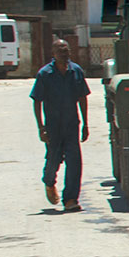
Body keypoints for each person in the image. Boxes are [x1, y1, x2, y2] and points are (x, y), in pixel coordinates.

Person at [31, 38, 89, 212]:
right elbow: (37, 101)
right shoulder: (45, 74)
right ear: (53, 54)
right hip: (53, 127)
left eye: (67, 50)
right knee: (53, 160)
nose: (65, 53)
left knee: (74, 162)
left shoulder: (76, 71)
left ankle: (71, 199)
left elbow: (82, 97)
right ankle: (49, 182)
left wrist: (86, 124)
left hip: (71, 125)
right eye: (61, 50)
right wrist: (41, 127)